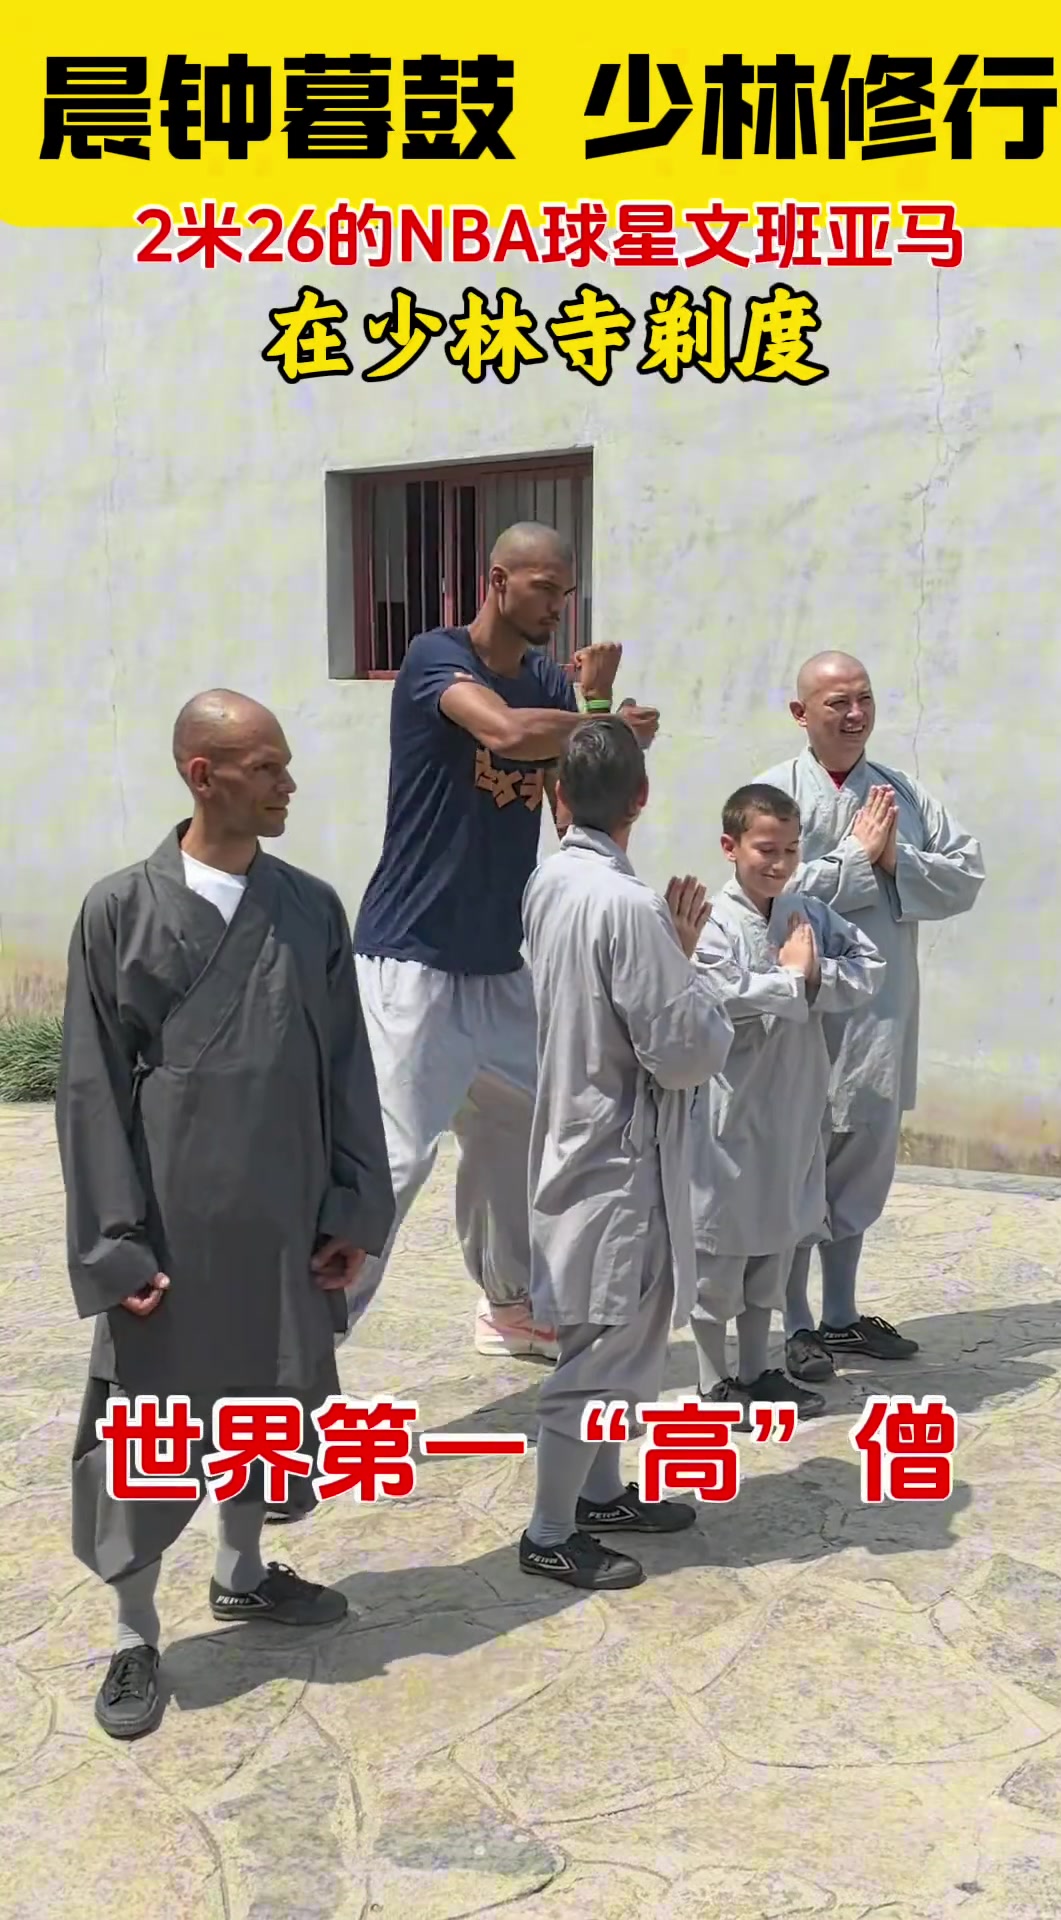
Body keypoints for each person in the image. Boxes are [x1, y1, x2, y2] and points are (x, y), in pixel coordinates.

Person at [56, 690, 395, 1740]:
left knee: (267, 1400)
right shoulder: (121, 909)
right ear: (203, 775)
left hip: (284, 1217)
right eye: (267, 767)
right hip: (170, 1229)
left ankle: (242, 1572)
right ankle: (133, 1635)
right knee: (148, 1427)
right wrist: (113, 1245)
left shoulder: (310, 908)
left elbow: (347, 1067)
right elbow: (90, 1090)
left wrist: (353, 1206)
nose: (289, 784)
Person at [350, 521, 660, 1363]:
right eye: (544, 589)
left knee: (531, 1130)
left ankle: (511, 1304)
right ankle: (296, 1356)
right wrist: (603, 721)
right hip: (411, 960)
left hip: (497, 964)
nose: (558, 607)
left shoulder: (546, 681)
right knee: (393, 1162)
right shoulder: (435, 658)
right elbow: (509, 735)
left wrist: (596, 716)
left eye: (566, 593)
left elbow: (575, 805)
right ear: (497, 581)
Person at [519, 718, 735, 1591]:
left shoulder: (548, 881)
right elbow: (681, 1050)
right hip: (618, 1152)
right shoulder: (630, 904)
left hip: (575, 1133)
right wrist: (688, 965)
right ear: (640, 799)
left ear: (559, 797)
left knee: (606, 1328)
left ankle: (601, 1494)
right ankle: (548, 1531)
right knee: (604, 1344)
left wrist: (666, 960)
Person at [755, 653, 985, 1380]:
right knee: (798, 1164)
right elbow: (768, 890)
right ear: (801, 714)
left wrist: (895, 862)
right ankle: (795, 1322)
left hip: (880, 1015)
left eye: (864, 699)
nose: (855, 714)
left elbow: (966, 875)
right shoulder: (775, 794)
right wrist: (858, 857)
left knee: (860, 1162)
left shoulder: (901, 793)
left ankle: (841, 1313)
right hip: (803, 1014)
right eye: (837, 702)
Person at [689, 784, 885, 1417]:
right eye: (765, 849)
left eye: (791, 850)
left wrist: (818, 973)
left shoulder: (807, 914)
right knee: (721, 1251)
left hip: (795, 1105)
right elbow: (719, 993)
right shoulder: (713, 922)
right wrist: (794, 977)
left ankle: (758, 1368)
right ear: (731, 847)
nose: (778, 864)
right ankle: (712, 1379)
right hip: (730, 1111)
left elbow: (868, 965)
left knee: (773, 1247)